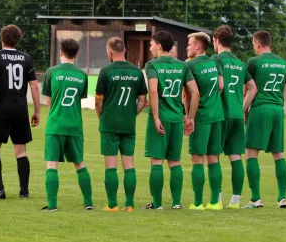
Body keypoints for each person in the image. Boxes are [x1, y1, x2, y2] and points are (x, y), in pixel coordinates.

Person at [0, 25, 41, 199]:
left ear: (2, 38)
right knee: (21, 151)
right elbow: (34, 86)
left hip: (1, 109)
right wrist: (37, 110)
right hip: (20, 110)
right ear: (18, 39)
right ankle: (24, 191)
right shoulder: (26, 58)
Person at [144, 31, 199, 210]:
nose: (150, 47)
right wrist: (189, 117)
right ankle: (176, 203)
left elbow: (153, 91)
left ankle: (157, 204)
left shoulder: (152, 65)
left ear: (159, 45)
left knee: (157, 161)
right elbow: (195, 93)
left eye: (152, 44)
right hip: (176, 119)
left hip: (161, 119)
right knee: (175, 162)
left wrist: (156, 117)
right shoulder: (183, 66)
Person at [95, 37, 148, 212]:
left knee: (110, 165)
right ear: (124, 50)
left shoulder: (105, 71)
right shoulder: (137, 72)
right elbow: (142, 100)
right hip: (128, 125)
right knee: (129, 165)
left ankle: (112, 205)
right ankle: (130, 204)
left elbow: (98, 101)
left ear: (110, 52)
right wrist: (132, 114)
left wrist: (101, 117)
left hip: (109, 124)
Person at [41, 39, 93, 211]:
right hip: (75, 125)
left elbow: (48, 99)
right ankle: (88, 203)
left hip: (55, 124)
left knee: (52, 164)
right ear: (77, 54)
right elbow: (79, 99)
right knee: (80, 163)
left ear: (60, 52)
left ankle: (53, 205)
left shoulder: (51, 72)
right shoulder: (82, 75)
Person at [210, 25, 258, 209]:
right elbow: (253, 88)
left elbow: (219, 85)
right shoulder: (239, 62)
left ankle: (217, 200)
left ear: (216, 40)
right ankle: (236, 201)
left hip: (220, 115)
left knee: (213, 157)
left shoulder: (216, 59)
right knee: (235, 157)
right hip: (237, 116)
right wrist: (241, 108)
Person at [243, 30, 286, 209]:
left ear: (257, 44)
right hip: (277, 109)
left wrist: (243, 111)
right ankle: (282, 197)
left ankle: (255, 199)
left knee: (251, 152)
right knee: (278, 153)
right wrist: (276, 104)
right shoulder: (283, 63)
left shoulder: (254, 62)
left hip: (260, 108)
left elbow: (249, 89)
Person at [185, 32, 225, 210]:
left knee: (197, 159)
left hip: (201, 116)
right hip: (217, 114)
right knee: (213, 159)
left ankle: (198, 202)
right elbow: (221, 86)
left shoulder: (190, 66)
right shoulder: (214, 62)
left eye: (189, 44)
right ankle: (216, 202)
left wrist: (189, 117)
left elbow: (190, 94)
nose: (187, 47)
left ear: (197, 47)